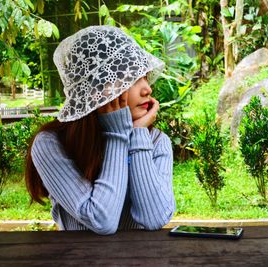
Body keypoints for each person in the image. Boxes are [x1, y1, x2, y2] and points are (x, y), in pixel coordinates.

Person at [25, 25, 175, 235]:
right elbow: (101, 220)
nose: (147, 89)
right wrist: (117, 135)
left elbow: (154, 218)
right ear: (98, 88)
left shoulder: (157, 141)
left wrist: (138, 133)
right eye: (132, 79)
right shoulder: (50, 143)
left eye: (145, 77)